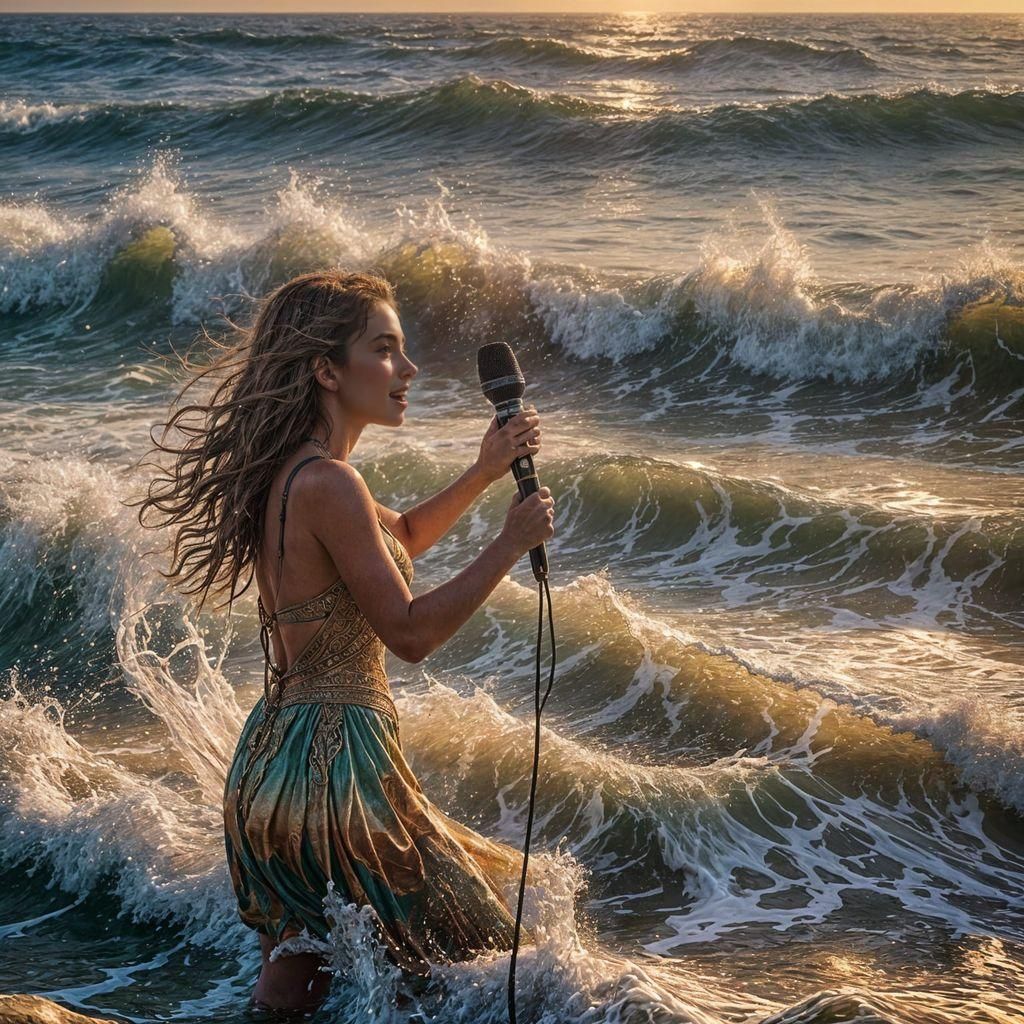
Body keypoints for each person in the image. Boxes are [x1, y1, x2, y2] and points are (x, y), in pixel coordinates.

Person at [131, 269, 554, 1015]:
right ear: (328, 369)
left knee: (297, 982)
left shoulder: (295, 474)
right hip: (338, 768)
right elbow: (411, 633)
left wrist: (485, 472)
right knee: (484, 949)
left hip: (273, 760)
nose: (409, 370)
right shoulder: (330, 483)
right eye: (385, 350)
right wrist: (509, 544)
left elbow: (405, 538)